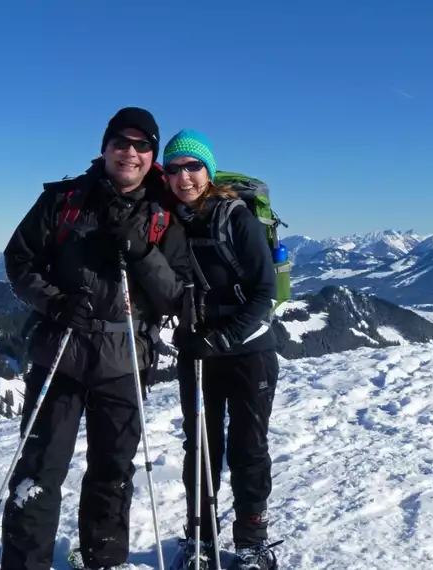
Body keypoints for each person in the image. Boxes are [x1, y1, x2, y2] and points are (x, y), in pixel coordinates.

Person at [1, 107, 192, 570]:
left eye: (142, 145)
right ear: (104, 147)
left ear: (152, 157)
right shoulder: (64, 201)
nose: (130, 152)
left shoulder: (165, 214)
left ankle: (103, 561)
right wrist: (55, 302)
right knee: (39, 471)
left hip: (124, 359)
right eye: (121, 142)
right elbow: (19, 260)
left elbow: (177, 297)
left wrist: (140, 251)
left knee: (113, 472)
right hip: (60, 351)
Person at [165, 130, 279, 570]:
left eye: (193, 166)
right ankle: (202, 540)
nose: (184, 177)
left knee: (249, 448)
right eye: (174, 169)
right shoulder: (170, 220)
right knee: (200, 447)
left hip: (248, 351)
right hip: (199, 352)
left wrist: (223, 336)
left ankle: (252, 544)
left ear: (207, 171)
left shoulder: (236, 218)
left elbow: (264, 291)